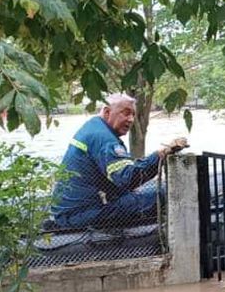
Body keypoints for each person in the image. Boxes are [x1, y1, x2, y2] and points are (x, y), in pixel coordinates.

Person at [53, 94, 187, 229]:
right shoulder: (105, 139)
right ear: (107, 112)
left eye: (133, 115)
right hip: (83, 215)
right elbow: (128, 179)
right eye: (126, 113)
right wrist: (160, 155)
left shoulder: (93, 127)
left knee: (146, 192)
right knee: (166, 192)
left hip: (69, 212)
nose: (131, 119)